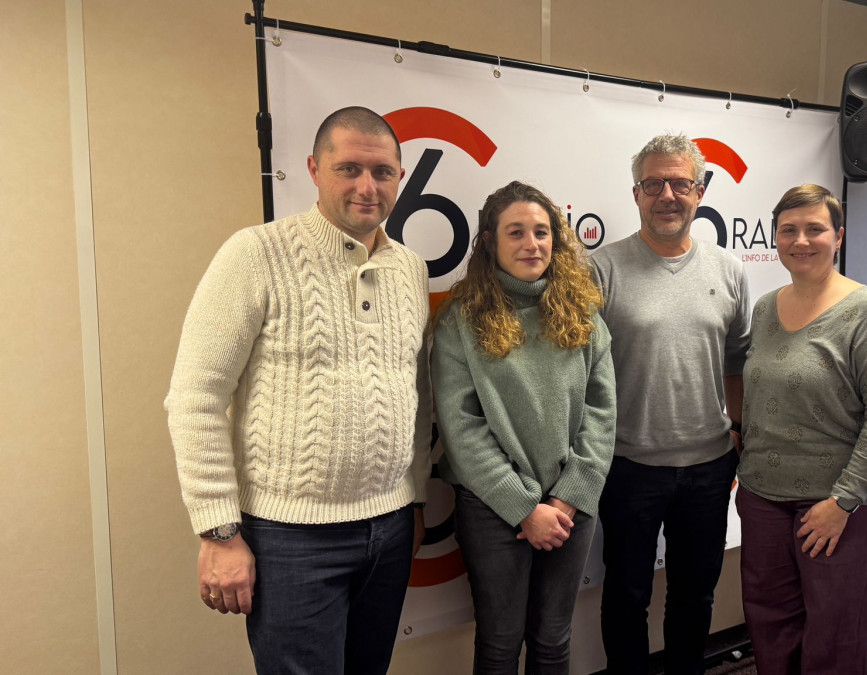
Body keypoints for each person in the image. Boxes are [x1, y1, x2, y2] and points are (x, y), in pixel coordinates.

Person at [164, 106, 431, 675]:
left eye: (383, 172)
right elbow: (195, 395)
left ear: (401, 179)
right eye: (349, 169)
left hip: (389, 528)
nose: (367, 186)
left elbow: (418, 395)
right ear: (313, 169)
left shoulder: (410, 268)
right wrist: (218, 531)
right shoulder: (255, 253)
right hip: (289, 541)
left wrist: (416, 498)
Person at [430, 180, 616, 674]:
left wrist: (566, 497)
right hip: (494, 507)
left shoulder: (584, 313)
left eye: (541, 231)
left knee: (554, 639)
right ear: (490, 241)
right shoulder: (460, 321)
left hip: (571, 503)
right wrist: (522, 507)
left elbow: (602, 412)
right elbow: (461, 426)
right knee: (499, 642)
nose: (531, 244)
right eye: (516, 232)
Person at [590, 134, 751, 674]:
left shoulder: (729, 270)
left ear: (699, 192)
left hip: (709, 468)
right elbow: (580, 373)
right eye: (653, 184)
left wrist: (735, 432)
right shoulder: (602, 269)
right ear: (636, 193)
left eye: (680, 183)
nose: (667, 195)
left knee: (694, 597)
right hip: (628, 466)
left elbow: (736, 360)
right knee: (626, 597)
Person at [736, 184, 867, 675]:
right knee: (771, 628)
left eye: (815, 229)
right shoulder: (766, 308)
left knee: (838, 637)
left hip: (841, 504)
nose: (801, 240)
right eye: (788, 230)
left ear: (838, 237)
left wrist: (843, 502)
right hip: (764, 497)